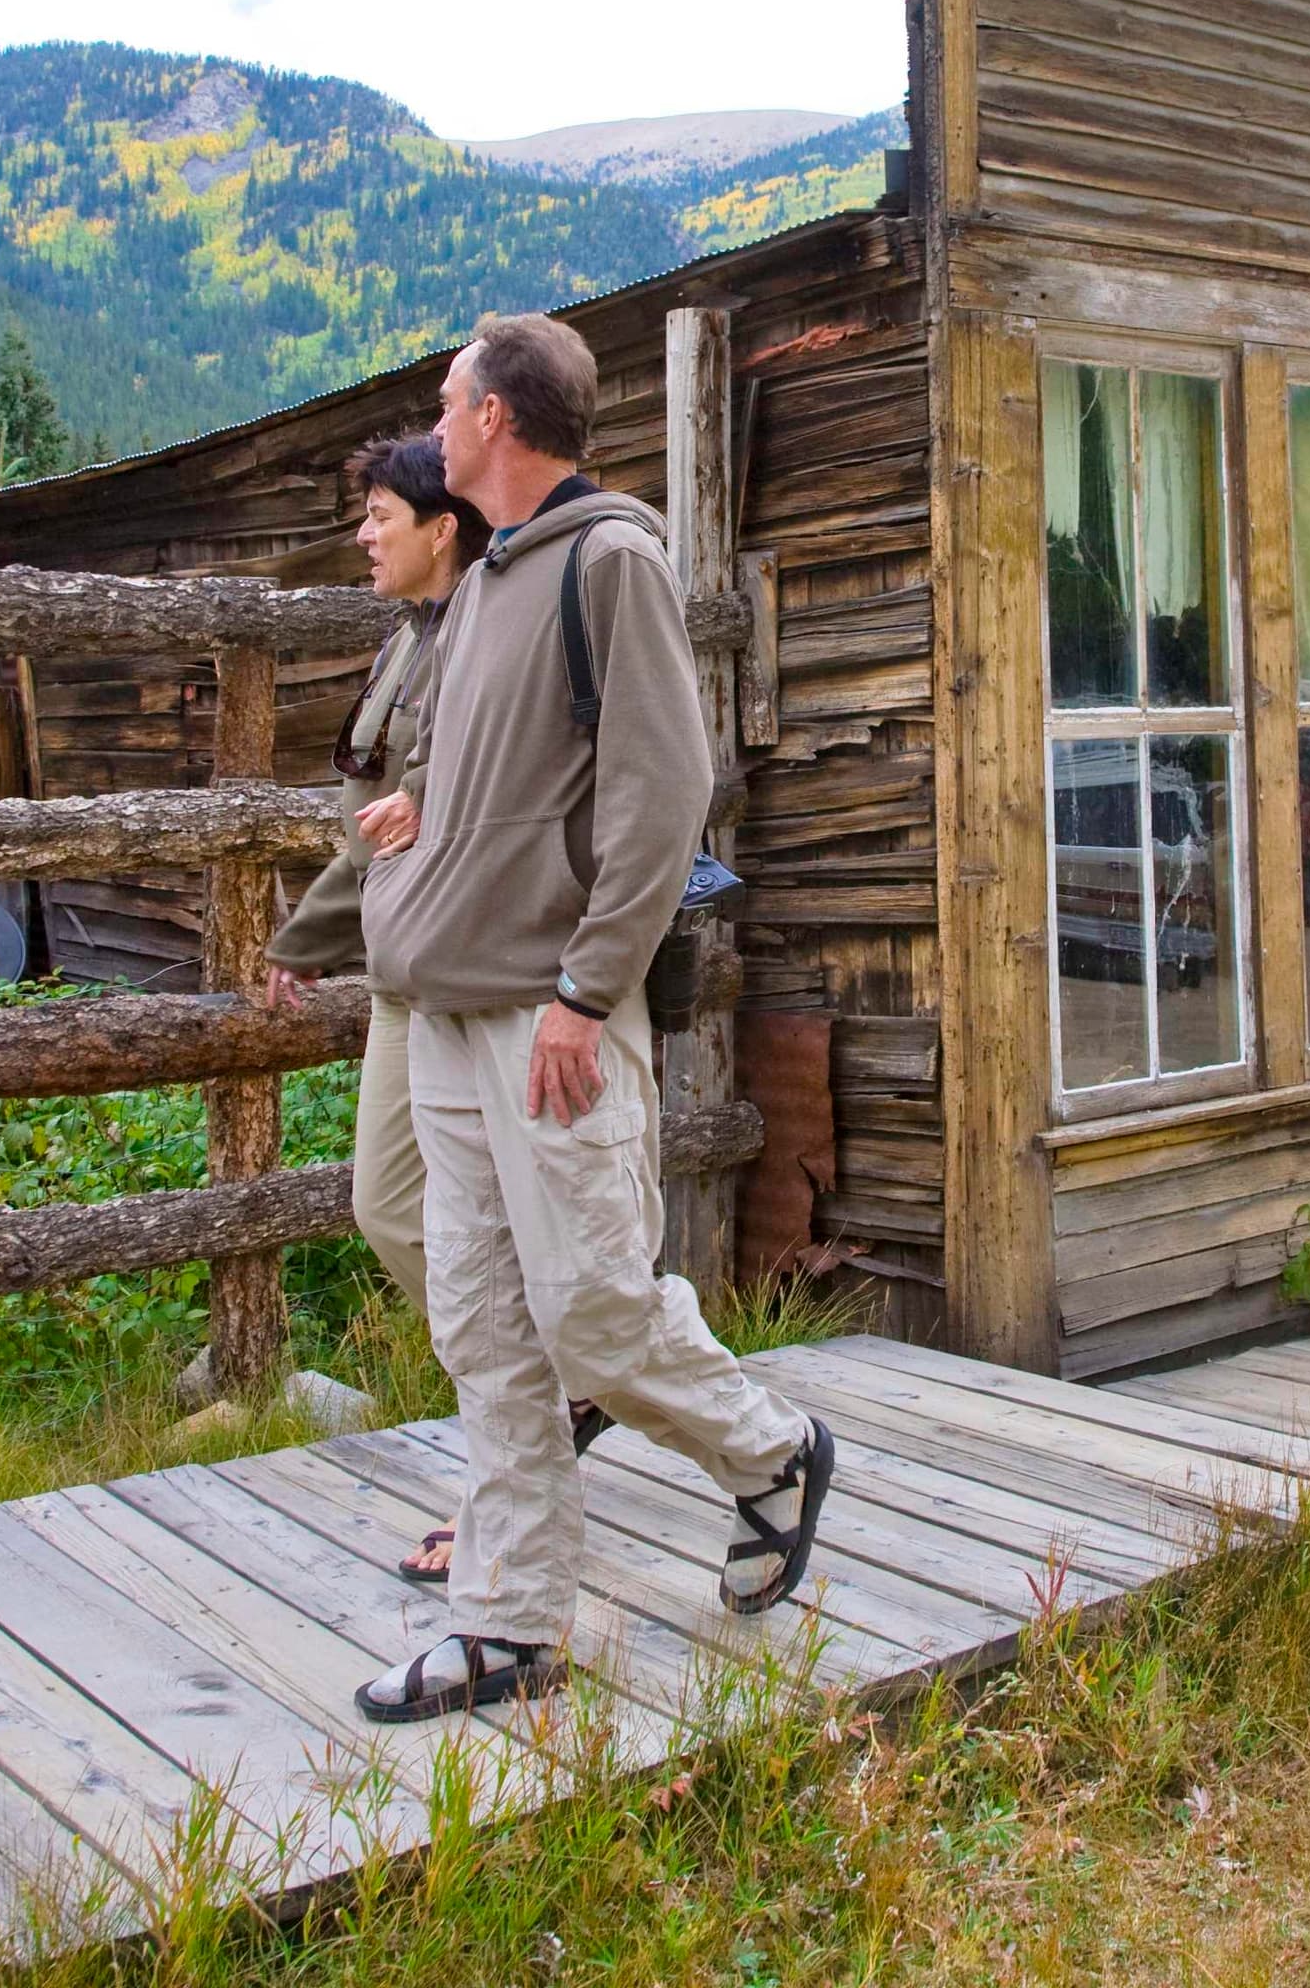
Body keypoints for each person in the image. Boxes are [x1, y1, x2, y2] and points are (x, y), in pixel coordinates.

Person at [350, 312, 836, 1724]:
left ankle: (772, 1450)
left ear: (498, 418)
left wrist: (585, 987)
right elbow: (506, 780)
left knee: (592, 1309)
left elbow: (659, 791)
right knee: (487, 1325)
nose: (436, 426)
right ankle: (509, 1624)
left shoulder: (608, 561)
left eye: (448, 404)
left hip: (549, 1018)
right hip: (449, 1014)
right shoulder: (488, 582)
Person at [256, 431, 510, 1577]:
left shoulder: (480, 641)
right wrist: (316, 939)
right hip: (406, 964)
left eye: (381, 517)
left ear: (441, 526)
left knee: (456, 1222)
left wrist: (305, 939)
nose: (363, 535)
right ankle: (537, 1406)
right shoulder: (408, 638)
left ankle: (515, 1449)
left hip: (471, 971)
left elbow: (426, 814)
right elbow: (376, 820)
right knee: (390, 1204)